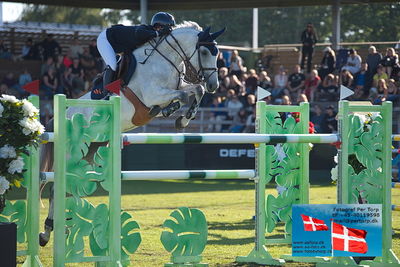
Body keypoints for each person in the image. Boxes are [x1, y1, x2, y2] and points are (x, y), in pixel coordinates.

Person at [97, 12, 175, 88]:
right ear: (157, 26)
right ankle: (106, 92)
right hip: (105, 39)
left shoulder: (152, 35)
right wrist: (158, 33)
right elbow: (139, 34)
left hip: (118, 43)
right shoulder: (144, 29)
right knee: (112, 65)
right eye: (163, 28)